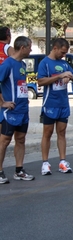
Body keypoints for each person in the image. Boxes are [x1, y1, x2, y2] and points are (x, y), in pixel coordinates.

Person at [37, 38, 73, 176]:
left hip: (63, 104)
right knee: (47, 134)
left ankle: (62, 161)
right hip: (50, 104)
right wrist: (59, 76)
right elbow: (41, 81)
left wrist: (71, 77)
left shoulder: (64, 63)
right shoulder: (45, 63)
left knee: (62, 133)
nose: (63, 55)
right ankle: (45, 163)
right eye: (62, 52)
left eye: (65, 53)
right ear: (55, 48)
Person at [0, 36, 33, 184]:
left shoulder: (23, 65)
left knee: (20, 139)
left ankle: (19, 170)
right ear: (22, 48)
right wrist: (3, 103)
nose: (31, 49)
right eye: (29, 47)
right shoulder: (7, 64)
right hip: (10, 112)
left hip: (22, 110)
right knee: (4, 141)